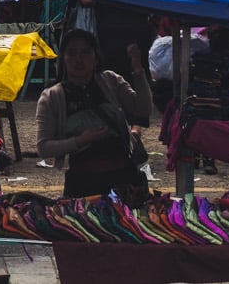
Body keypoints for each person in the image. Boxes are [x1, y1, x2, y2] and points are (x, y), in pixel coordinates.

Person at [34, 27, 154, 199]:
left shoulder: (111, 81)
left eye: (85, 52)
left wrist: (138, 70)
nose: (79, 59)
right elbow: (43, 147)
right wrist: (80, 141)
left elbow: (143, 109)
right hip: (83, 183)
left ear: (96, 57)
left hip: (124, 179)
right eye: (72, 53)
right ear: (63, 59)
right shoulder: (52, 97)